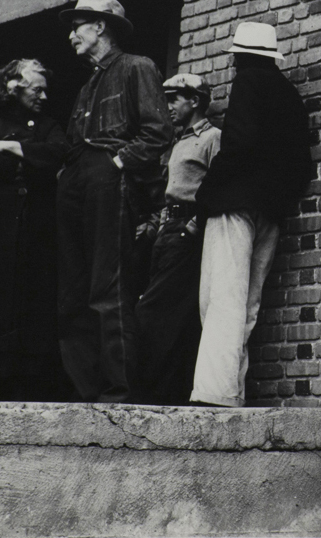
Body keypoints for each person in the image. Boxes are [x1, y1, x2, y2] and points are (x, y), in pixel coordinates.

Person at [56, 0, 172, 403]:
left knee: (109, 286)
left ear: (100, 26)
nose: (72, 35)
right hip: (77, 180)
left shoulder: (136, 67)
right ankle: (85, 389)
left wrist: (119, 163)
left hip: (109, 178)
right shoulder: (87, 85)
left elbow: (157, 131)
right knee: (73, 289)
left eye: (78, 25)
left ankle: (117, 394)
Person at [190, 22, 312, 407]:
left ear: (240, 56)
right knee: (248, 304)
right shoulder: (290, 96)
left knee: (221, 297)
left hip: (234, 204)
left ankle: (214, 393)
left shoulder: (248, 82)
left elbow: (239, 143)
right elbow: (300, 164)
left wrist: (205, 195)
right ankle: (233, 392)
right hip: (271, 210)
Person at [0, 59, 68, 400]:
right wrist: (27, 156)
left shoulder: (47, 124)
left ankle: (31, 383)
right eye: (36, 88)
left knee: (35, 300)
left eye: (45, 89)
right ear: (13, 86)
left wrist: (9, 147)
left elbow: (59, 152)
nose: (43, 96)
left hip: (37, 229)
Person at [135, 73, 220, 405]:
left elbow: (218, 185)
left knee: (155, 313)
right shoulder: (176, 140)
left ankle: (155, 395)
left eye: (174, 98)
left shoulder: (213, 138)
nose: (167, 105)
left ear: (195, 101)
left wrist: (195, 226)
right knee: (163, 313)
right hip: (165, 232)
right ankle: (165, 393)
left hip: (187, 231)